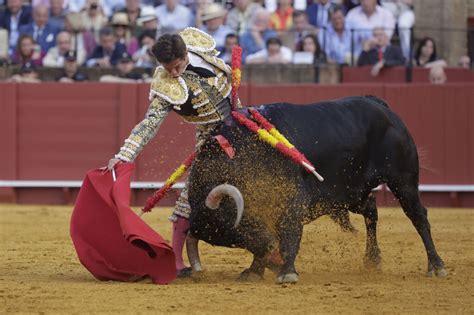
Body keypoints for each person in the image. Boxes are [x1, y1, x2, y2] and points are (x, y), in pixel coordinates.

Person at [106, 28, 236, 278]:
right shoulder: (165, 84)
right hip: (210, 137)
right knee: (191, 194)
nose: (174, 73)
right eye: (168, 69)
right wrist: (125, 155)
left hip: (240, 121)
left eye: (177, 66)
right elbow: (149, 123)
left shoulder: (200, 48)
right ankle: (176, 259)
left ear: (186, 52)